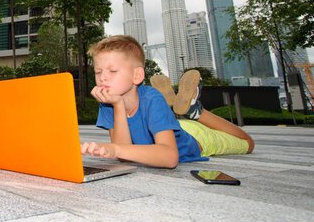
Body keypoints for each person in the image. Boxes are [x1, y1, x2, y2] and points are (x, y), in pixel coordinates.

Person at [80, 35, 254, 168]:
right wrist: (117, 105)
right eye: (98, 72)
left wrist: (115, 149)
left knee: (247, 142)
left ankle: (196, 112)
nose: (102, 78)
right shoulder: (108, 102)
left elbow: (170, 157)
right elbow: (124, 152)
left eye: (112, 71)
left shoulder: (152, 98)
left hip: (196, 138)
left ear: (137, 75)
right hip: (172, 125)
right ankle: (184, 110)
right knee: (172, 121)